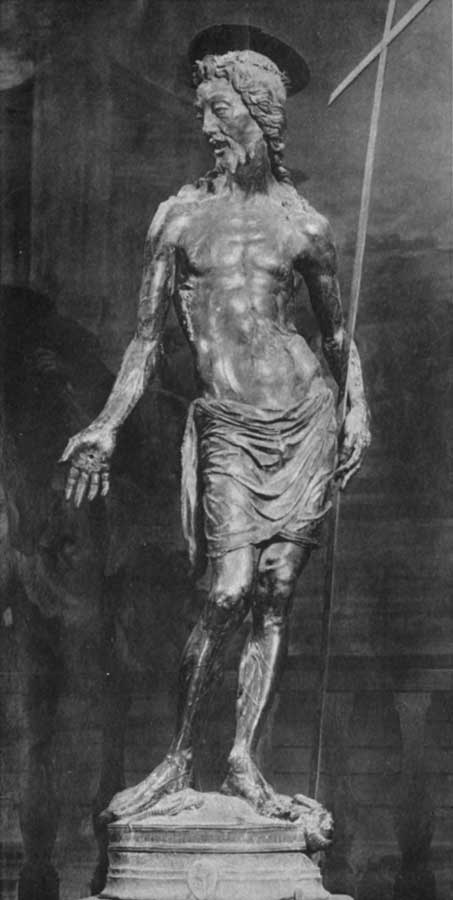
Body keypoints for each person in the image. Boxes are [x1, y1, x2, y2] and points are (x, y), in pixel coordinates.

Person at [61, 27, 370, 835]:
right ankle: (176, 759)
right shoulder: (178, 219)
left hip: (303, 417)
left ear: (260, 115)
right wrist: (105, 425)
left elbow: (336, 336)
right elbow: (145, 340)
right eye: (201, 109)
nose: (205, 125)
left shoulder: (304, 226)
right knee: (227, 588)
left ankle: (240, 759)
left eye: (219, 109)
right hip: (229, 422)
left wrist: (355, 406)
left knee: (274, 593)